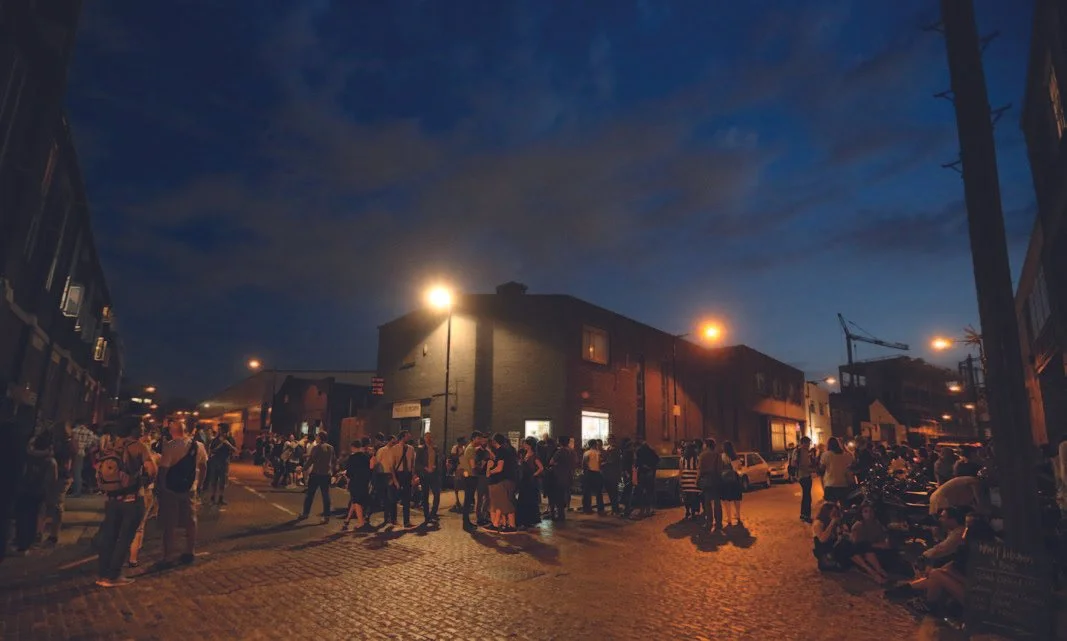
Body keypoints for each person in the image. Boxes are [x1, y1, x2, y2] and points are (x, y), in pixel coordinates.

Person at [95, 418, 156, 587]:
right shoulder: (139, 447)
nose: (143, 429)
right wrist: (143, 481)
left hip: (112, 498)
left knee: (109, 536)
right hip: (132, 498)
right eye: (141, 426)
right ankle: (113, 576)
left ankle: (102, 574)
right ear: (133, 429)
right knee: (125, 538)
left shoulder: (111, 446)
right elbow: (152, 470)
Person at [157, 420, 208, 568]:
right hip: (190, 488)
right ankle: (189, 551)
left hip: (171, 490)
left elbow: (163, 470)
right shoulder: (198, 446)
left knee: (170, 523)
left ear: (172, 432)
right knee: (191, 520)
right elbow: (204, 467)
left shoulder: (170, 446)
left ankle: (168, 556)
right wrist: (200, 485)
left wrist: (162, 487)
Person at [15, 431, 57, 553]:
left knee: (22, 516)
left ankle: (20, 540)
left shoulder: (28, 455)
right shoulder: (50, 461)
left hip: (24, 489)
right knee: (35, 516)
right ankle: (29, 542)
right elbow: (51, 481)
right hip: (39, 492)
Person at [128, 427, 162, 568]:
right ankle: (133, 558)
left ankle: (119, 553)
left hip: (127, 492)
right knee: (139, 527)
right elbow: (156, 476)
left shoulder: (128, 452)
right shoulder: (157, 458)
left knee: (126, 523)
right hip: (145, 492)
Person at [298, 431, 336, 523]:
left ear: (320, 438)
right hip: (326, 474)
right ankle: (327, 516)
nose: (316, 438)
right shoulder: (331, 448)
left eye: (317, 436)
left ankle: (305, 513)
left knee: (310, 495)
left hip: (316, 474)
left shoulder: (317, 447)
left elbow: (311, 460)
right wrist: (333, 473)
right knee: (326, 495)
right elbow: (334, 461)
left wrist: (303, 469)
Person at [486, 433, 518, 534]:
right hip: (509, 479)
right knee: (503, 503)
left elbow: (499, 468)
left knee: (505, 503)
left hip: (504, 480)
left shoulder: (501, 451)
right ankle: (505, 524)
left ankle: (512, 526)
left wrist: (490, 470)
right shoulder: (508, 450)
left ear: (495, 441)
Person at [343, 439, 374, 531]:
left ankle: (361, 522)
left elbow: (349, 472)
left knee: (357, 501)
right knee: (356, 500)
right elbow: (369, 470)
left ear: (353, 447)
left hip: (355, 481)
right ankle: (348, 519)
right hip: (364, 481)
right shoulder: (366, 457)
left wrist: (348, 482)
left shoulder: (352, 458)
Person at [389, 431, 416, 528]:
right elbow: (392, 466)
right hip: (398, 474)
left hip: (407, 474)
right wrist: (395, 480)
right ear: (403, 437)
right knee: (395, 498)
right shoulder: (394, 448)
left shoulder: (411, 449)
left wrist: (413, 477)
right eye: (408, 435)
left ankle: (406, 521)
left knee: (407, 498)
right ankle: (393, 519)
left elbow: (412, 464)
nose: (409, 437)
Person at [205, 423, 236, 505]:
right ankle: (212, 498)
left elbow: (234, 450)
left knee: (222, 481)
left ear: (224, 430)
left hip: (224, 462)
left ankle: (221, 498)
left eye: (220, 429)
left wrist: (228, 444)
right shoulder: (215, 439)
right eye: (218, 429)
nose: (218, 430)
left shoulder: (230, 439)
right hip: (215, 461)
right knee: (214, 480)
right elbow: (211, 451)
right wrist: (221, 444)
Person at [517, 437, 544, 528]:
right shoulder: (526, 454)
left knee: (529, 499)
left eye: (525, 444)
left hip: (530, 481)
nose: (523, 445)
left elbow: (541, 468)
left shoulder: (534, 455)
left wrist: (534, 474)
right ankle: (525, 519)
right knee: (524, 499)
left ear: (529, 445)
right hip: (524, 480)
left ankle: (528, 519)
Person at [415, 431, 441, 524]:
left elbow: (438, 461)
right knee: (425, 495)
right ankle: (426, 515)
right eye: (427, 437)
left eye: (430, 437)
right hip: (425, 475)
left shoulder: (435, 448)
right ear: (425, 438)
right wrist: (425, 468)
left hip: (434, 475)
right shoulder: (421, 449)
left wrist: (436, 467)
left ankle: (433, 513)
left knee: (437, 494)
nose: (429, 439)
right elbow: (417, 463)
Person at [819, 437, 854, 503]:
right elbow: (850, 467)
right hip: (843, 484)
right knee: (844, 506)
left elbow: (822, 468)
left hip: (830, 485)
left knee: (831, 508)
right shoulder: (846, 455)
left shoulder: (826, 455)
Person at [698, 438, 723, 531]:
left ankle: (709, 522)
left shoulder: (702, 455)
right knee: (717, 502)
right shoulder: (717, 455)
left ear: (706, 445)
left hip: (706, 480)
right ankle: (718, 522)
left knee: (707, 502)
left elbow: (699, 469)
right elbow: (720, 469)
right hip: (716, 480)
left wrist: (698, 480)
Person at [549, 437, 576, 521]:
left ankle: (560, 515)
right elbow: (576, 461)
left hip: (559, 476)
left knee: (559, 496)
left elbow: (551, 462)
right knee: (567, 493)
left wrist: (557, 464)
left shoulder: (560, 451)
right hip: (569, 475)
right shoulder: (572, 451)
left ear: (560, 442)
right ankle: (566, 508)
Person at [459, 432, 481, 529]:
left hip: (468, 476)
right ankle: (466, 523)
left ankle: (466, 522)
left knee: (468, 500)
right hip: (471, 477)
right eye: (478, 439)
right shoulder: (471, 449)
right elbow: (473, 466)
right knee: (468, 500)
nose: (479, 441)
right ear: (473, 439)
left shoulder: (469, 448)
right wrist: (480, 465)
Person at [633, 439, 659, 518]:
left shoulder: (639, 451)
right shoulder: (651, 450)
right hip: (649, 473)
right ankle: (648, 510)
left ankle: (642, 510)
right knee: (649, 492)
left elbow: (637, 462)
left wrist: (641, 466)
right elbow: (657, 459)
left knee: (641, 492)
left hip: (642, 473)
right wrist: (651, 466)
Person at [720, 441, 743, 527]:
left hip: (725, 480)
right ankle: (738, 516)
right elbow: (739, 468)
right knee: (736, 499)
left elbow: (720, 468)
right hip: (735, 479)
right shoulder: (735, 456)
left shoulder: (722, 456)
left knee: (726, 500)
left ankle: (729, 519)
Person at [71, 421, 97, 497]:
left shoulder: (74, 430)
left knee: (76, 473)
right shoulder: (90, 432)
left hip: (74, 453)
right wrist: (88, 450)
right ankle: (77, 491)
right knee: (79, 472)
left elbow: (71, 441)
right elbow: (96, 444)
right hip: (82, 453)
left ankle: (76, 492)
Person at [581, 439, 605, 515]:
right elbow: (600, 463)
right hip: (597, 473)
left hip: (588, 473)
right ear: (595, 444)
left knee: (587, 491)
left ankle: (587, 509)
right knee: (598, 492)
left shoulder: (586, 453)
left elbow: (584, 464)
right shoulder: (599, 453)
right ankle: (600, 509)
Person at [795, 436, 815, 523]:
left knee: (806, 495)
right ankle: (807, 516)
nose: (809, 445)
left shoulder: (805, 451)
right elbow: (796, 463)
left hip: (805, 475)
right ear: (803, 443)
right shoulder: (800, 451)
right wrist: (808, 469)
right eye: (808, 443)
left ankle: (803, 514)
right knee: (807, 496)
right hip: (804, 476)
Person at [600, 435, 621, 515]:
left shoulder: (616, 449)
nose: (608, 440)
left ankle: (615, 509)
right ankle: (614, 508)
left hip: (613, 474)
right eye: (608, 439)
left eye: (610, 439)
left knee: (613, 492)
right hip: (607, 474)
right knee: (610, 492)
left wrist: (603, 463)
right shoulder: (608, 448)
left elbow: (611, 461)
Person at [679, 442, 701, 520]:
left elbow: (681, 470)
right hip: (694, 478)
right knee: (694, 496)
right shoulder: (697, 458)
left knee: (687, 496)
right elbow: (699, 469)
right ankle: (693, 512)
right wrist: (697, 479)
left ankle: (687, 511)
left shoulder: (682, 459)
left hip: (685, 478)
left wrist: (680, 480)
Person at [447, 436, 467, 512]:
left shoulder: (464, 448)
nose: (465, 442)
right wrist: (462, 453)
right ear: (460, 442)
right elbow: (453, 457)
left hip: (464, 468)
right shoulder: (455, 448)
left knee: (465, 484)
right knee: (457, 484)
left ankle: (465, 501)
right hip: (458, 469)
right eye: (463, 440)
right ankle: (457, 501)